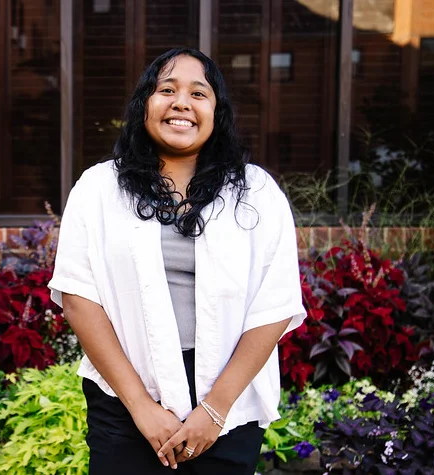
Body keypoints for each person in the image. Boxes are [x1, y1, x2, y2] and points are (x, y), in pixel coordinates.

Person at [48, 47, 306, 475]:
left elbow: (274, 305)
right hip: (123, 397)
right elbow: (78, 297)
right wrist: (141, 407)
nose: (181, 102)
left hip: (229, 399)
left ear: (216, 111)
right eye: (166, 89)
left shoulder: (256, 193)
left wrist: (215, 410)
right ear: (144, 105)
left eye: (198, 93)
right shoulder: (97, 189)